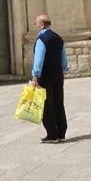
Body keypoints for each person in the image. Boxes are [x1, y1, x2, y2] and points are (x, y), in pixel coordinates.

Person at [31, 13, 68, 143]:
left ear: (41, 25)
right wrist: (63, 68)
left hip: (45, 75)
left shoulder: (42, 39)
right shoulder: (58, 38)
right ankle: (61, 132)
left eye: (36, 24)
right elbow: (63, 57)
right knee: (58, 103)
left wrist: (35, 75)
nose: (36, 26)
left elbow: (39, 59)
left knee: (47, 105)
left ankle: (52, 134)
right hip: (58, 74)